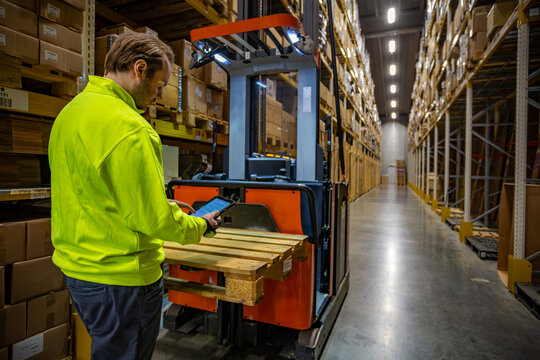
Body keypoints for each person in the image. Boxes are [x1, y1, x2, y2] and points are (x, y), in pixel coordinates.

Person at [48, 33, 220, 360]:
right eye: (159, 86)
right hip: (122, 281)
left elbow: (92, 193)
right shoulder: (132, 128)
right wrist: (200, 226)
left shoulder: (69, 115)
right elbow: (155, 221)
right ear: (139, 69)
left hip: (79, 274)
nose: (158, 96)